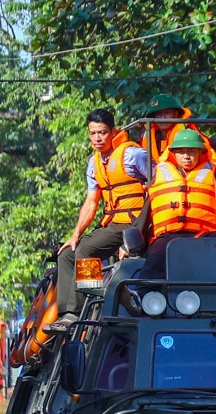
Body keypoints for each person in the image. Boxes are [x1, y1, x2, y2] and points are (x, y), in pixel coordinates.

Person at [52, 108, 151, 332]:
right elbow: (91, 203)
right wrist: (75, 234)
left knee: (86, 250)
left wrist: (137, 233)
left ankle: (87, 306)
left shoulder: (131, 154)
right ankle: (67, 312)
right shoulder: (94, 163)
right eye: (93, 133)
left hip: (133, 222)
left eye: (103, 133)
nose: (97, 138)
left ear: (113, 131)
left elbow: (155, 188)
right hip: (112, 223)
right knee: (67, 253)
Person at [134, 129, 216, 283]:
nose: (186, 156)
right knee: (153, 264)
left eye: (192, 151)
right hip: (167, 236)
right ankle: (142, 298)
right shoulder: (159, 176)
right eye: (181, 151)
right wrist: (133, 239)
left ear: (200, 153)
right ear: (173, 153)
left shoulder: (214, 176)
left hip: (204, 235)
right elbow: (147, 212)